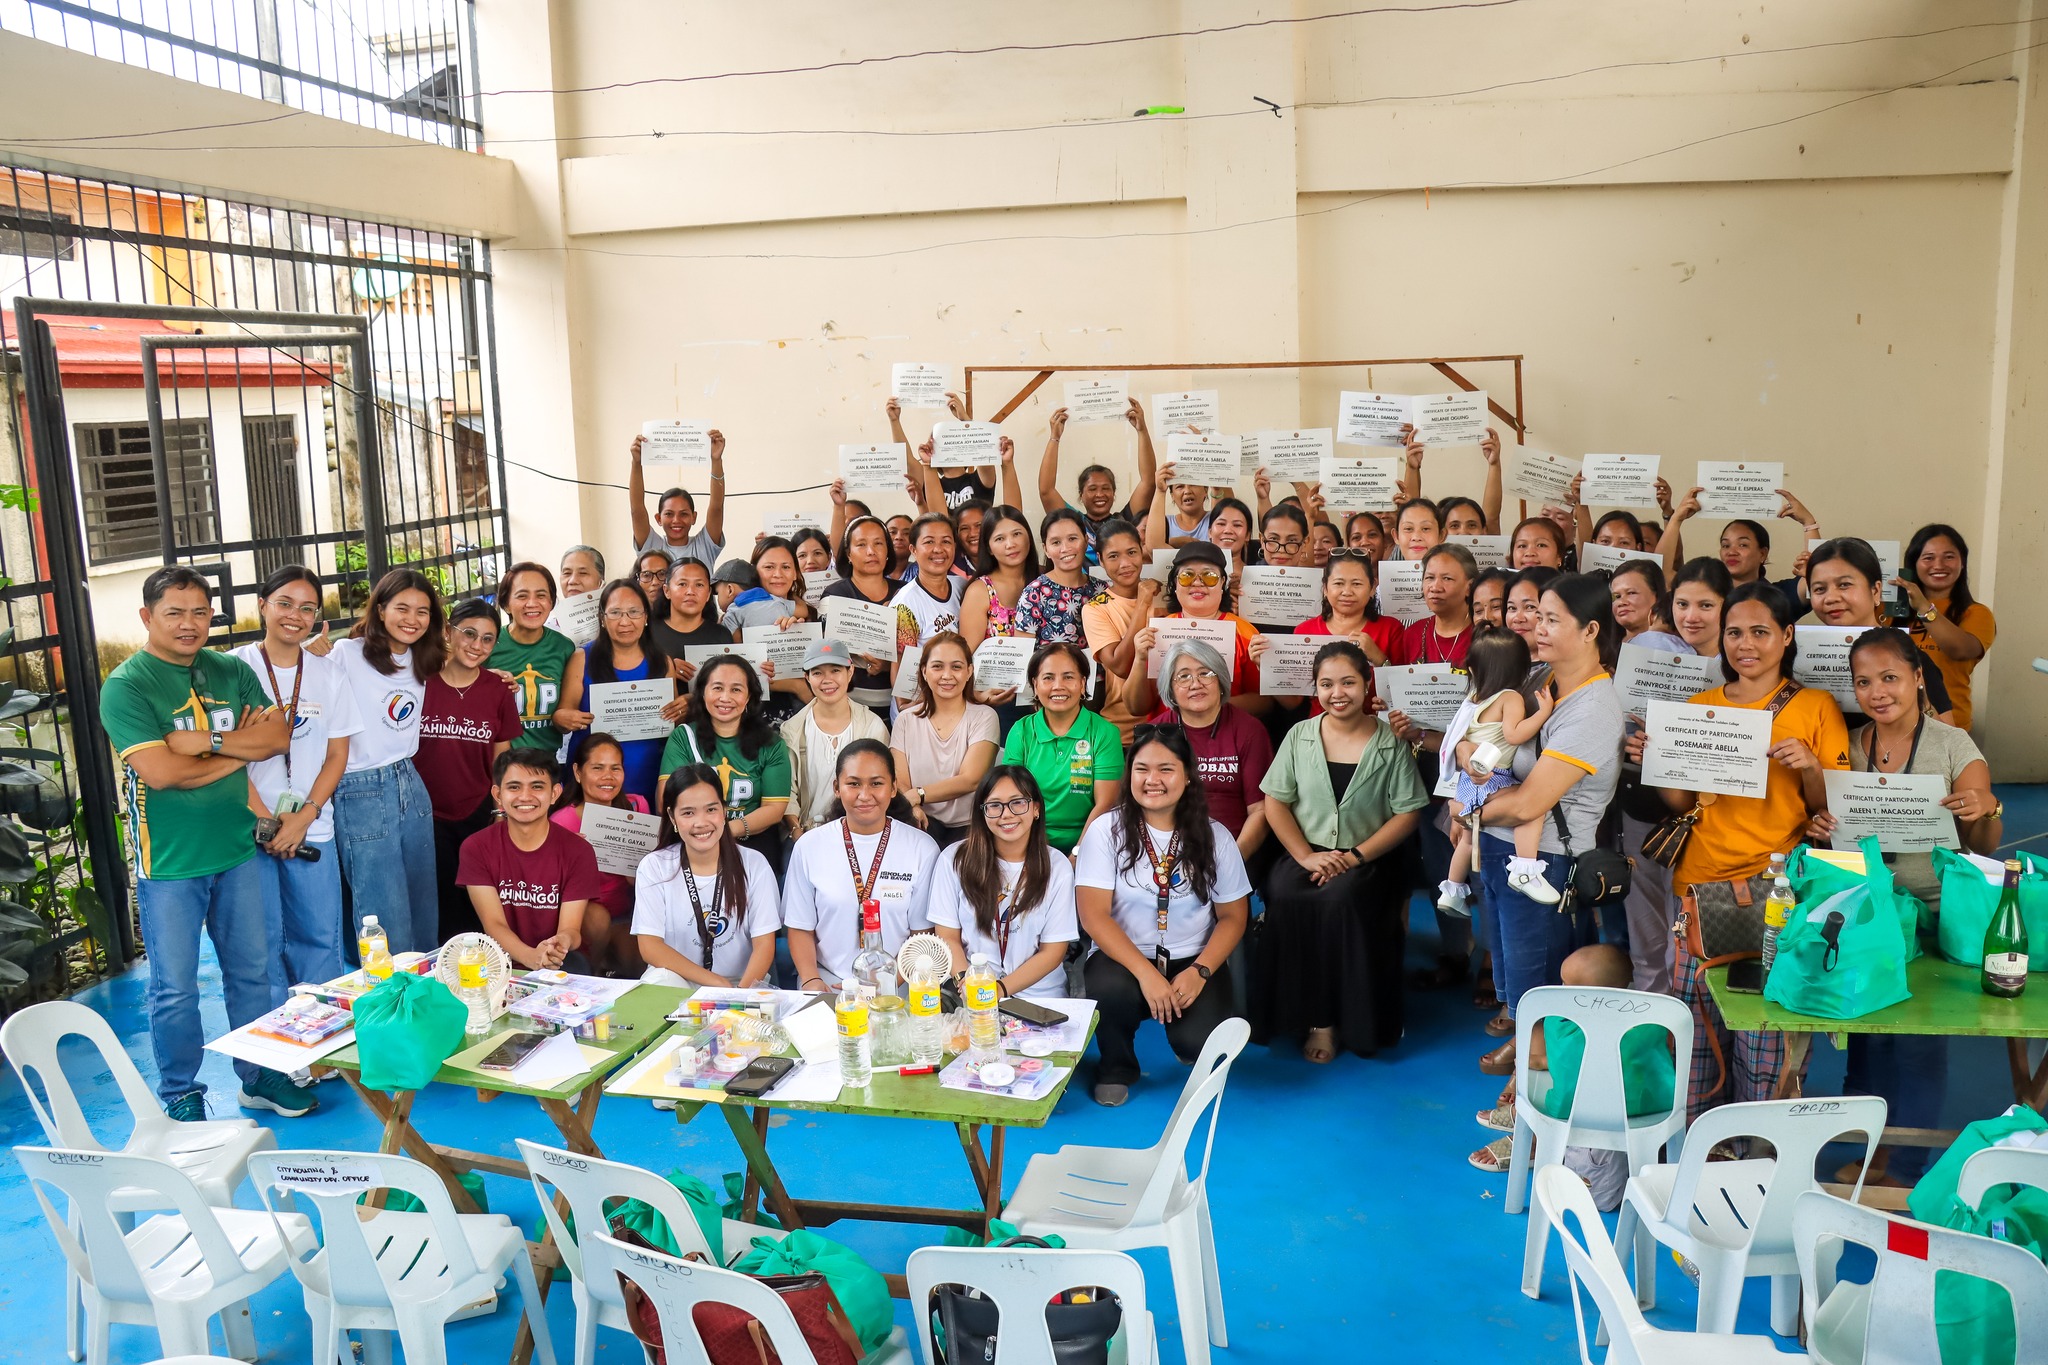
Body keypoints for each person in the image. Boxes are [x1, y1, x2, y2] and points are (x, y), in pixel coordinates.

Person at [1629, 581, 1849, 1122]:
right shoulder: (1698, 706)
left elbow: (1830, 812)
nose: (1745, 644)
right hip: (1698, 887)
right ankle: (1704, 1145)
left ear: (1787, 635)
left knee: (1767, 1035)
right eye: (1734, 633)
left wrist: (1811, 766)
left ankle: (1758, 1147)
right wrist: (1655, 760)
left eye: (1759, 632)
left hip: (1777, 892)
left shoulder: (1815, 707)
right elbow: (1681, 803)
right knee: (1697, 1029)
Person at [104, 566, 305, 1119]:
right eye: (174, 613)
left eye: (199, 612)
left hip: (237, 851)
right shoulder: (127, 685)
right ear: (147, 617)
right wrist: (240, 748)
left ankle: (259, 1077)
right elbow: (163, 773)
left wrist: (204, 741)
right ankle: (181, 1093)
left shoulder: (227, 669)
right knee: (175, 988)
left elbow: (277, 736)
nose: (189, 624)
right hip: (171, 862)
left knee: (252, 974)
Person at [1808, 627, 2004, 1185]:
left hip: (1933, 917)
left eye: (1890, 677)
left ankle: (1907, 1167)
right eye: (1863, 682)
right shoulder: (1848, 745)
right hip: (1870, 916)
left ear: (1919, 677)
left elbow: (1986, 845)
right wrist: (1821, 826)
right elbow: (1830, 825)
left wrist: (1983, 808)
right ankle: (1872, 1153)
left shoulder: (1952, 744)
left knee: (1917, 1046)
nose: (1877, 692)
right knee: (1867, 1040)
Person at [1465, 574, 1627, 1083]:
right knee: (1514, 978)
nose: (1538, 627)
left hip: (1547, 862)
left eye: (1553, 619)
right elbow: (1487, 739)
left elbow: (1530, 803)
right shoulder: (1539, 679)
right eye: (1538, 615)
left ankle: (1532, 1094)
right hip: (1499, 849)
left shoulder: (1594, 709)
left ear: (1591, 630)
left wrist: (1467, 810)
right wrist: (1469, 772)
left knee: (1540, 983)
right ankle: (1527, 1052)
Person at [1254, 641, 1429, 1062]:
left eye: (1348, 682)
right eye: (1327, 684)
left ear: (1367, 684)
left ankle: (1332, 1022)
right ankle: (1296, 1015)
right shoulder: (1299, 735)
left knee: (1340, 898)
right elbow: (1275, 802)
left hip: (1368, 858)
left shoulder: (1390, 740)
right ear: (1315, 688)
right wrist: (1304, 856)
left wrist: (1354, 857)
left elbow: (1407, 813)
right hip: (1305, 853)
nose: (1338, 693)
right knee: (1285, 893)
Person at [1076, 725, 1251, 1106]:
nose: (1152, 780)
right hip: (1124, 959)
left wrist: (1200, 971)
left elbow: (1235, 916)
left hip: (1192, 959)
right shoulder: (1105, 831)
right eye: (1141, 769)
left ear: (1187, 776)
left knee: (1199, 1046)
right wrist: (1146, 974)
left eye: (1166, 769)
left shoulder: (1215, 835)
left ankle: (1186, 1034)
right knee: (1110, 990)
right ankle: (1117, 1067)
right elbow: (1093, 916)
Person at [234, 566, 359, 1006]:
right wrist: (265, 821)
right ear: (262, 606)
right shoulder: (234, 668)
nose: (295, 616)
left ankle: (324, 1033)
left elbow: (337, 755)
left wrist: (303, 817)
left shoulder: (329, 674)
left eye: (307, 609)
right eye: (284, 604)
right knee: (260, 944)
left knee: (320, 939)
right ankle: (274, 1037)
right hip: (248, 828)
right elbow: (227, 755)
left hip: (311, 827)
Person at [1470, 944, 1675, 1190]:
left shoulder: (1559, 1025)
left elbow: (1567, 1089)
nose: (1562, 988)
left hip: (1577, 1112)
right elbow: (1630, 1061)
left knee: (1551, 1086)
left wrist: (1543, 1062)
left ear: (1582, 997)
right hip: (1653, 1107)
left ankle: (1535, 1136)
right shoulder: (1652, 1020)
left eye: (1566, 984)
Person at [331, 568, 444, 956]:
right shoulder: (347, 653)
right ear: (380, 610)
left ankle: (425, 987)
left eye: (422, 611)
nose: (412, 619)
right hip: (360, 786)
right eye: (402, 608)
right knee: (382, 910)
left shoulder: (424, 658)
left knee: (423, 905)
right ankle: (387, 991)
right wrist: (310, 647)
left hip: (409, 779)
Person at [1384, 543, 1479, 991]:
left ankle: (1492, 963)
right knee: (1440, 859)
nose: (1435, 587)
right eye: (1428, 578)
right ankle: (1456, 951)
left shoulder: (1483, 637)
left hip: (1472, 767)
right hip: (1420, 762)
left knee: (1480, 863)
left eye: (1446, 578)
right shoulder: (1414, 633)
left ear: (1469, 585)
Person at [785, 738, 942, 988]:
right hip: (827, 983)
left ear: (893, 787)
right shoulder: (809, 846)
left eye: (876, 783)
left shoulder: (922, 848)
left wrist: (887, 985)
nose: (865, 795)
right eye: (853, 784)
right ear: (837, 788)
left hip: (899, 985)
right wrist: (811, 979)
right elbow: (800, 926)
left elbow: (921, 935)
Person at [414, 598, 522, 940]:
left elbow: (501, 758)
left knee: (475, 899)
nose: (477, 645)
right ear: (448, 631)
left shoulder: (497, 690)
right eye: (469, 633)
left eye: (488, 639)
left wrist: (500, 809)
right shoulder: (419, 682)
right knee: (435, 900)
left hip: (476, 810)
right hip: (423, 812)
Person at [926, 767, 1080, 1001]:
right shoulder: (953, 859)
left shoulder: (1057, 866)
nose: (1006, 814)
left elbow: (1053, 951)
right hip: (971, 992)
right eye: (995, 805)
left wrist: (999, 989)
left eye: (1018, 803)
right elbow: (947, 936)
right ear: (982, 812)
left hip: (1041, 998)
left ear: (1036, 808)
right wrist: (967, 982)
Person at [1439, 627, 1559, 914]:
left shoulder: (1475, 697)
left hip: (1468, 781)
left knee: (1468, 839)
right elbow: (1514, 735)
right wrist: (1543, 713)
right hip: (1495, 777)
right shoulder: (1510, 697)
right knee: (1533, 808)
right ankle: (1525, 869)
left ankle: (1451, 891)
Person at [634, 762, 781, 987]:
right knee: (657, 983)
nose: (701, 823)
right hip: (677, 982)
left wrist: (737, 997)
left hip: (741, 985)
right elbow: (650, 947)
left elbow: (764, 945)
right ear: (672, 817)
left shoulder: (754, 864)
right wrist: (715, 982)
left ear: (724, 811)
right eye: (688, 813)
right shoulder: (654, 866)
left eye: (711, 810)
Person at [458, 750, 605, 970]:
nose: (525, 796)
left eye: (537, 787)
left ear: (555, 793)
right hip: (499, 961)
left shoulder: (578, 850)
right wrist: (530, 957)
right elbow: (494, 924)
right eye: (514, 787)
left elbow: (571, 929)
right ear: (497, 794)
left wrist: (561, 942)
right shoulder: (476, 847)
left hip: (558, 962)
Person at [659, 655, 793, 872]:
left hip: (752, 840)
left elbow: (774, 809)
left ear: (749, 696)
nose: (725, 697)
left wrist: (725, 831)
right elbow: (666, 800)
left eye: (736, 689)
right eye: (717, 688)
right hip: (695, 838)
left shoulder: (772, 744)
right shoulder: (683, 737)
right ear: (703, 692)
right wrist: (705, 831)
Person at [1146, 639, 1273, 868]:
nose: (1196, 684)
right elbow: (1142, 806)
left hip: (1235, 851)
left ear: (1221, 681)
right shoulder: (1154, 735)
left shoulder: (1250, 731)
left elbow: (1260, 810)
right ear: (1170, 688)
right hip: (1164, 854)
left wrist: (1231, 861)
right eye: (1184, 676)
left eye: (1205, 673)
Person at [1806, 538, 1953, 724]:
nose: (1830, 598)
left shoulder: (1909, 657)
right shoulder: (1799, 658)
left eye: (1844, 585)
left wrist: (1922, 701)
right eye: (1819, 589)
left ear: (1876, 591)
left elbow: (1949, 737)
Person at [559, 579, 677, 805]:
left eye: (634, 612)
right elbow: (561, 717)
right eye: (615, 613)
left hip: (648, 773)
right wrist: (564, 718)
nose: (625, 621)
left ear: (646, 617)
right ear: (602, 618)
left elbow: (672, 721)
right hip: (592, 780)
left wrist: (684, 707)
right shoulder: (582, 658)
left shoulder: (662, 662)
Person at [1002, 642, 1123, 853]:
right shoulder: (1021, 731)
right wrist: (1038, 854)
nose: (1058, 686)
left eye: (1068, 677)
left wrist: (1077, 853)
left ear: (1083, 683)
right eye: (1048, 678)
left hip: (1093, 842)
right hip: (1030, 840)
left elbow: (1106, 804)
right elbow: (1013, 799)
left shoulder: (1105, 733)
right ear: (1035, 684)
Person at [1127, 542, 1264, 714]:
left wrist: (1211, 706)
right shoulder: (1157, 633)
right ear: (1175, 584)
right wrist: (1139, 660)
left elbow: (1263, 702)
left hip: (1224, 728)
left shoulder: (1246, 633)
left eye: (1209, 576)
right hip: (1168, 729)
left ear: (1222, 583)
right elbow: (1136, 708)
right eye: (1187, 575)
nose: (1198, 582)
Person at [890, 631, 1000, 846]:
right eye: (937, 666)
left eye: (956, 667)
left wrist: (918, 795)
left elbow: (971, 779)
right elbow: (901, 782)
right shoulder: (905, 720)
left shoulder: (985, 716)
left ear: (969, 671)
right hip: (919, 822)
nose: (947, 675)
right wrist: (912, 806)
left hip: (971, 828)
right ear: (924, 671)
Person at [551, 735, 650, 974]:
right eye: (597, 768)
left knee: (637, 961)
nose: (608, 776)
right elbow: (551, 886)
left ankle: (611, 965)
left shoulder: (637, 807)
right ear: (578, 772)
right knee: (598, 918)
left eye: (615, 768)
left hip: (625, 913)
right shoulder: (561, 822)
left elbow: (648, 880)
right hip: (584, 915)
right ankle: (593, 971)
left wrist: (637, 873)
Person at [781, 639, 889, 834]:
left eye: (835, 670)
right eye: (817, 673)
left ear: (850, 672)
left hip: (861, 831)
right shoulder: (792, 729)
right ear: (807, 677)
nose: (827, 680)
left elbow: (882, 785)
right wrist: (797, 831)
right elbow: (788, 791)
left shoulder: (872, 726)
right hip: (808, 831)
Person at [1900, 523, 1996, 730]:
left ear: (1962, 563)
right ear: (1913, 564)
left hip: (1949, 725)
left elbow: (1960, 650)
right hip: (1890, 724)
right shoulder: (1890, 610)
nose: (1939, 565)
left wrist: (1924, 607)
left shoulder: (1976, 613)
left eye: (1949, 557)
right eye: (1928, 558)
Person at [1036, 400, 1158, 559]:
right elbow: (1046, 491)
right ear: (1081, 495)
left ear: (1113, 493)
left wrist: (1142, 431)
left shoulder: (1125, 522)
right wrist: (1054, 438)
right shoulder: (1073, 522)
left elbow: (1149, 482)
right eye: (1092, 489)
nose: (1100, 494)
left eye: (1106, 488)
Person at [1079, 520, 1158, 746]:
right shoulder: (1095, 608)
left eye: (1132, 552)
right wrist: (1142, 604)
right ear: (1100, 560)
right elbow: (1121, 666)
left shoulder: (1166, 596)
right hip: (1122, 731)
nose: (1125, 563)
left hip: (1170, 722)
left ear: (1142, 551)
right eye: (1113, 556)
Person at [817, 513, 901, 710]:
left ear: (888, 550)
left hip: (902, 705)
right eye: (861, 544)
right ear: (848, 553)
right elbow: (827, 653)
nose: (871, 551)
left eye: (878, 543)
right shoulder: (834, 595)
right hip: (849, 706)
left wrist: (888, 665)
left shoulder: (905, 592)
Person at [489, 562, 576, 752]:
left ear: (551, 602)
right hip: (500, 761)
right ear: (506, 604)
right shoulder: (489, 644)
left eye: (541, 595)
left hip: (547, 762)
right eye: (522, 596)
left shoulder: (564, 648)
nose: (532, 603)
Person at [629, 428, 727, 567]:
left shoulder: (704, 546)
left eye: (684, 514)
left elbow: (717, 507)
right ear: (658, 518)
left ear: (694, 517)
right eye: (669, 514)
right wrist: (636, 463)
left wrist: (716, 460)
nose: (676, 520)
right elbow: (637, 510)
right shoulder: (652, 547)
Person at [1012, 507, 1098, 644]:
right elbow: (1022, 652)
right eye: (1056, 542)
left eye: (1072, 539)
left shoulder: (1101, 590)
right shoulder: (1034, 595)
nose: (1065, 548)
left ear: (1086, 540)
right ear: (1046, 549)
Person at [646, 556, 734, 686]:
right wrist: (664, 668)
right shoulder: (647, 633)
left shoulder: (722, 635)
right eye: (682, 584)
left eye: (699, 585)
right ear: (667, 591)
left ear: (708, 594)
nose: (691, 591)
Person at [893, 512, 966, 660]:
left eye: (946, 541)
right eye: (929, 542)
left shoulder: (963, 587)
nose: (938, 549)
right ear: (913, 550)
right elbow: (901, 670)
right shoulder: (905, 605)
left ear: (954, 547)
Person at [1610, 560, 1687, 651]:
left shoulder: (1680, 649)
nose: (1621, 602)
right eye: (1617, 596)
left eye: (1631, 593)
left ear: (1657, 595)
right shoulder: (1602, 649)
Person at [1393, 498, 1445, 563]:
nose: (1416, 537)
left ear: (1441, 536)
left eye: (1425, 529)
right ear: (1396, 536)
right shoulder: (1386, 570)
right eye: (1408, 529)